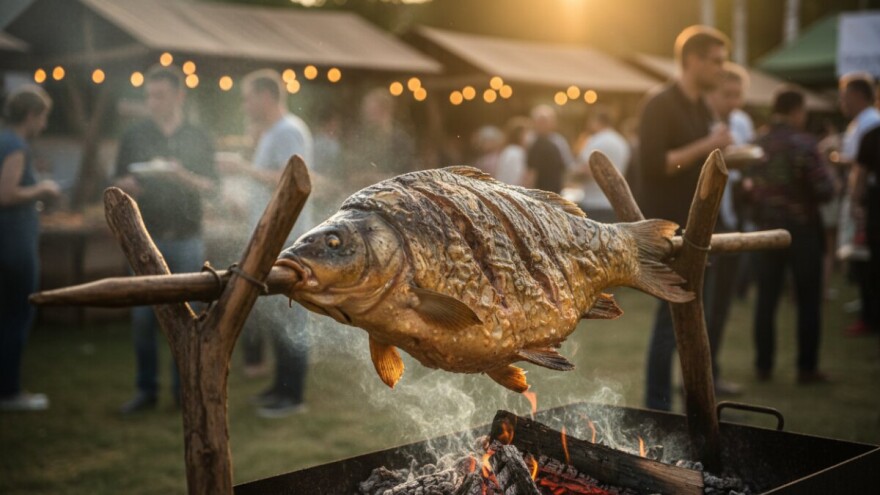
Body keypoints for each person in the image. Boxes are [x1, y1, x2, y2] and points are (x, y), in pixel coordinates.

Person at [639, 25, 733, 411]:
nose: (722, 70)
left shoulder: (699, 106)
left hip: (698, 229)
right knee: (671, 321)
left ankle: (690, 399)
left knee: (693, 318)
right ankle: (657, 406)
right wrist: (708, 145)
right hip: (670, 230)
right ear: (692, 61)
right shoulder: (660, 103)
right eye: (716, 61)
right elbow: (656, 163)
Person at [114, 65, 217, 414]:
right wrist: (125, 184)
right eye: (149, 96)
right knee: (144, 318)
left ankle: (185, 389)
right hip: (146, 238)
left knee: (189, 317)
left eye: (159, 95)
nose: (152, 102)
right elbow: (118, 178)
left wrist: (182, 175)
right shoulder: (135, 134)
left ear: (179, 95)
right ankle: (146, 390)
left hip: (187, 238)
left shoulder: (199, 137)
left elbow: (212, 186)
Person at [218, 69, 312, 418]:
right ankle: (279, 388)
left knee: (291, 318)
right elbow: (268, 185)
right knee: (277, 317)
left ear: (266, 97)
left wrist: (241, 168)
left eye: (247, 97)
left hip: (288, 239)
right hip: (273, 238)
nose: (244, 105)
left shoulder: (288, 130)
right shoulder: (274, 132)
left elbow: (293, 178)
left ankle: (293, 396)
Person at [746, 88, 836, 383]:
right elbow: (824, 189)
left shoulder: (758, 143)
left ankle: (763, 366)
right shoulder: (804, 143)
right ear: (797, 110)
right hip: (802, 231)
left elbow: (746, 188)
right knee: (808, 299)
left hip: (765, 230)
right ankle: (806, 369)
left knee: (766, 299)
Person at [0, 85, 59, 412]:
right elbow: (6, 194)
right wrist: (42, 188)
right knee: (17, 313)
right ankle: (10, 392)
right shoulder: (16, 145)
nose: (45, 125)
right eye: (44, 117)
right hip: (14, 243)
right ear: (31, 115)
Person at [703, 62, 756, 396]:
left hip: (733, 219)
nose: (734, 101)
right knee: (704, 304)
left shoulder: (741, 121)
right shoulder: (701, 121)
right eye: (728, 94)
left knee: (721, 303)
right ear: (713, 92)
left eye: (739, 94)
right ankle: (700, 376)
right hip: (707, 223)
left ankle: (714, 372)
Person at [837, 73, 880, 337]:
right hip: (869, 200)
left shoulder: (872, 125)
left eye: (845, 96)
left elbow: (860, 168)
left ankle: (871, 314)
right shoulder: (865, 125)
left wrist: (856, 201)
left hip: (871, 201)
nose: (842, 101)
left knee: (870, 260)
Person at [575, 105, 631, 222]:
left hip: (594, 202)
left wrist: (574, 173)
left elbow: (586, 170)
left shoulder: (595, 140)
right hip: (615, 204)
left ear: (596, 120)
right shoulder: (621, 142)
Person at [854, 113, 880, 340]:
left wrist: (855, 201)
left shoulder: (871, 135)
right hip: (874, 208)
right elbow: (861, 173)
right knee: (871, 265)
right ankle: (870, 317)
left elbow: (860, 174)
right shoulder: (872, 136)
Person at [527, 105, 568, 193]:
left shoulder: (559, 141)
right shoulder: (529, 140)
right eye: (540, 122)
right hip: (537, 194)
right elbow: (530, 173)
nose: (543, 125)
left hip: (555, 193)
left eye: (546, 121)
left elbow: (566, 166)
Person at [495, 117, 531, 186]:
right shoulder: (515, 152)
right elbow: (515, 178)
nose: (529, 137)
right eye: (527, 133)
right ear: (520, 135)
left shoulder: (509, 150)